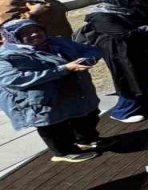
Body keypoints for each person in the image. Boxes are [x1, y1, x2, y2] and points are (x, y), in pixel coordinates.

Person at [0, 19, 103, 163]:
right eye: (26, 33)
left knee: (87, 115)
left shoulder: (57, 42)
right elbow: (12, 80)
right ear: (12, 36)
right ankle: (63, 152)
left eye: (37, 30)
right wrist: (63, 69)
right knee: (54, 126)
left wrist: (87, 59)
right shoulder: (6, 56)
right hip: (40, 99)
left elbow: (90, 50)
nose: (35, 35)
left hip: (73, 91)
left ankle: (85, 141)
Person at [81, 0, 148, 123]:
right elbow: (123, 34)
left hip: (144, 49)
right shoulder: (100, 15)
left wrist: (142, 29)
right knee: (130, 79)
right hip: (120, 53)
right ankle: (123, 112)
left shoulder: (133, 7)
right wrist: (146, 29)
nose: (137, 0)